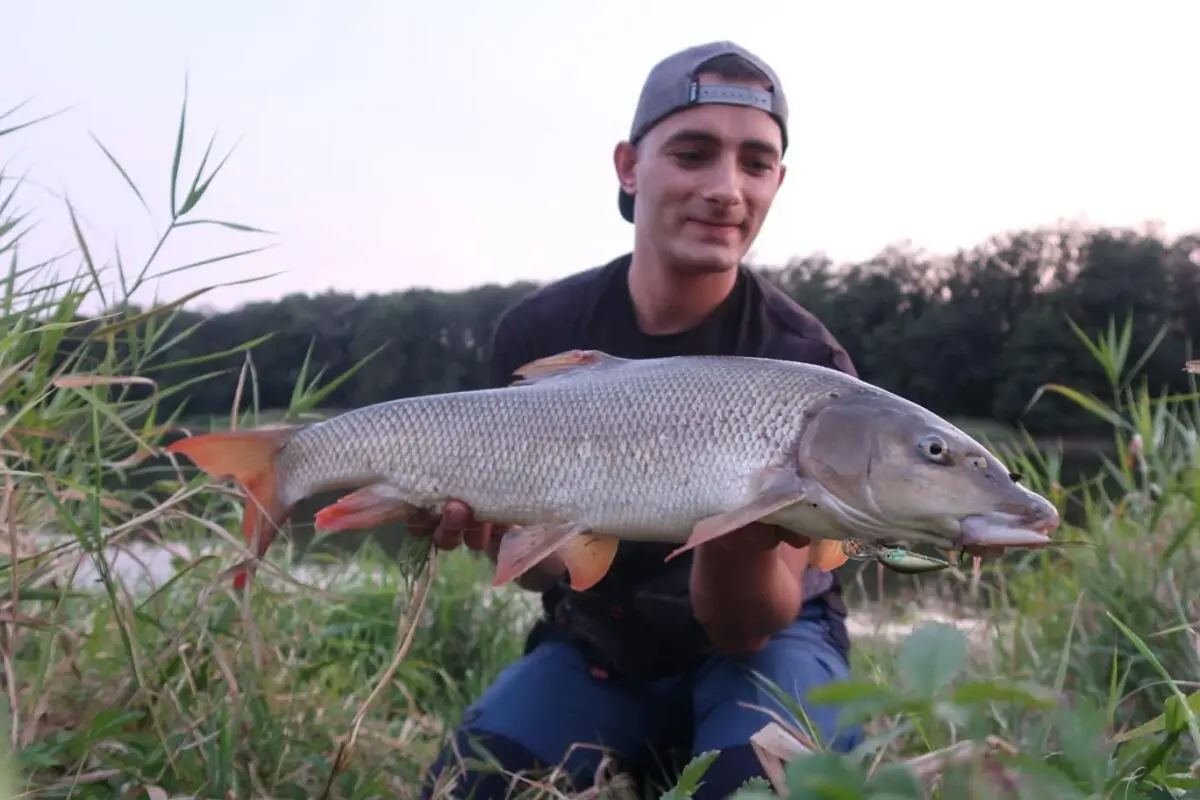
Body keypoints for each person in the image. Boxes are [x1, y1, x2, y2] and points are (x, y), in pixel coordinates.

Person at [418, 41, 862, 799]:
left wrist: (740, 526)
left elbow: (747, 626)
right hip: (605, 639)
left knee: (756, 784)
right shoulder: (540, 332)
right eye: (693, 154)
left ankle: (705, 742)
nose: (726, 190)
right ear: (629, 167)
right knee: (475, 785)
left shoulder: (807, 367)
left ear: (777, 183)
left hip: (766, 643)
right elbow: (553, 570)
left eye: (755, 164)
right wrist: (501, 529)